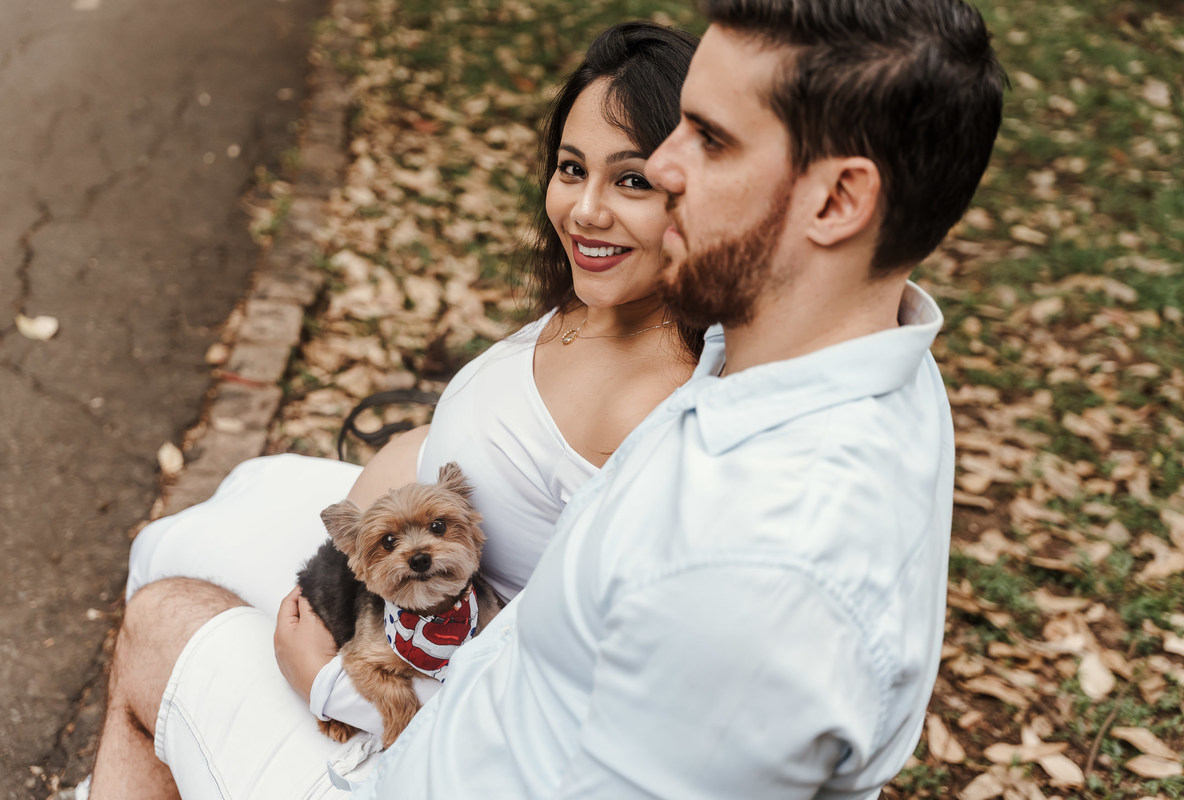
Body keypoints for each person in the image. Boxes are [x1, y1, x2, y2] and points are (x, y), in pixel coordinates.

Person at [95, 0, 1008, 795]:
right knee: (211, 526)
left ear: (840, 200)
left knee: (159, 617)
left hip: (408, 771)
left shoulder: (754, 575)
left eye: (712, 139)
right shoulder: (836, 351)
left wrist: (344, 695)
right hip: (467, 687)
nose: (670, 165)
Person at [90, 20, 701, 798]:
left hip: (427, 690)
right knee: (195, 524)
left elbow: (571, 697)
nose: (584, 210)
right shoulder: (605, 300)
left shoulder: (657, 409)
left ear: (697, 195)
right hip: (392, 567)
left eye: (632, 181)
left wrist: (331, 687)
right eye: (572, 168)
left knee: (157, 611)